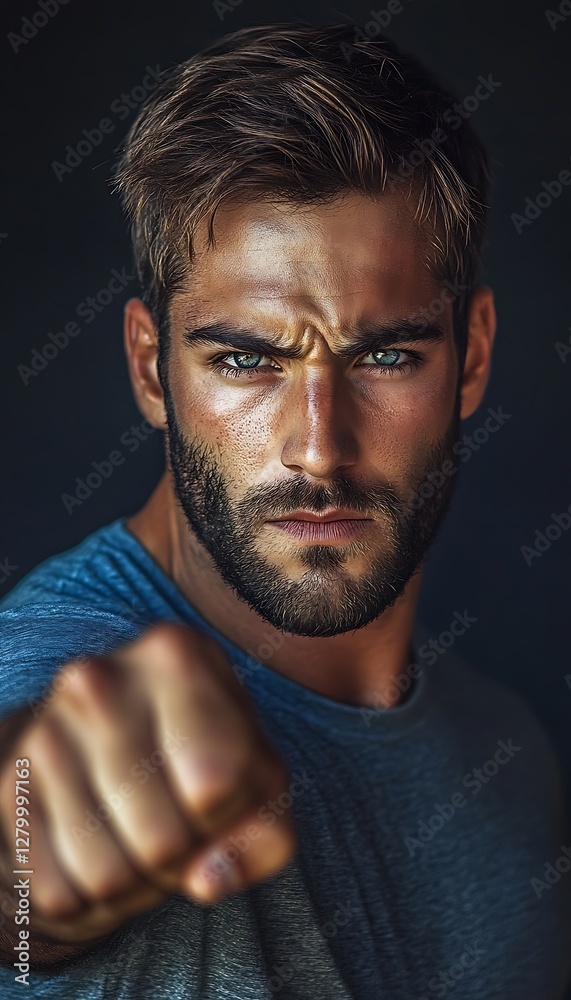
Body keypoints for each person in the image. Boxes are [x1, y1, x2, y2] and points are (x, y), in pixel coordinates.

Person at [0, 21, 569, 999]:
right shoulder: (54, 675)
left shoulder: (505, 751)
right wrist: (34, 872)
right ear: (151, 369)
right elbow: (30, 858)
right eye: (245, 360)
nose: (317, 445)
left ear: (472, 356)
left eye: (384, 355)